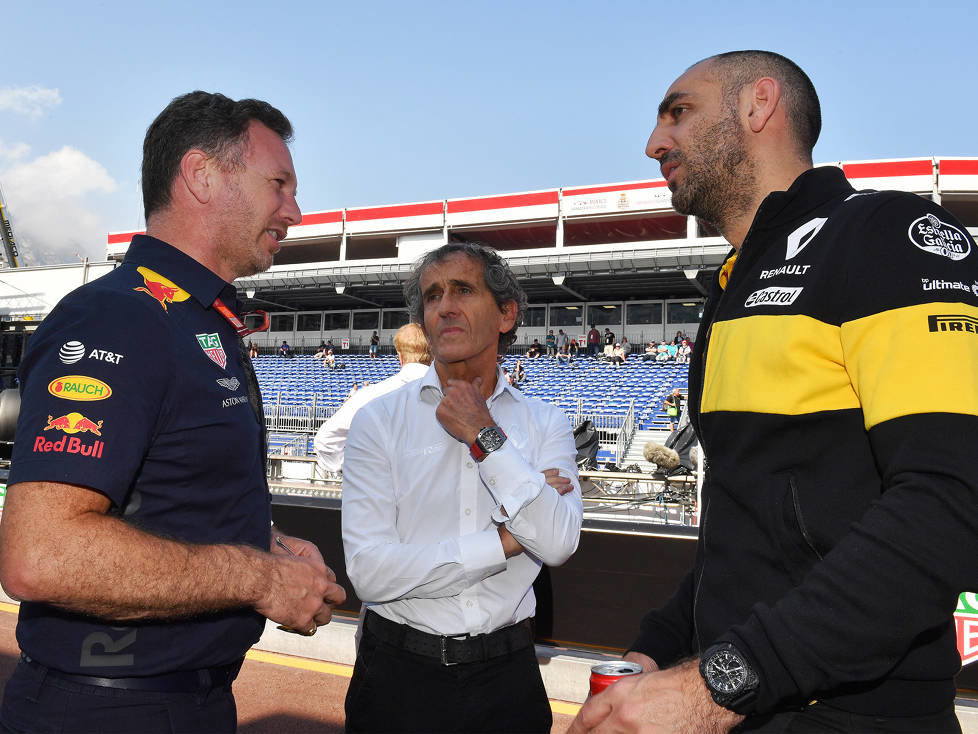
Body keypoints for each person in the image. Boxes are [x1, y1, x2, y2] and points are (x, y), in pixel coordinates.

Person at [570, 50, 978, 734]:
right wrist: (660, 647)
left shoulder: (885, 235)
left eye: (679, 111)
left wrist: (716, 685)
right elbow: (748, 531)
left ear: (759, 105)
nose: (654, 143)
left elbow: (952, 501)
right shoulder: (732, 289)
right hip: (751, 702)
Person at [0, 91, 345, 732]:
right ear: (200, 176)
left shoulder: (194, 319)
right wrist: (257, 578)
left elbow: (157, 503)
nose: (295, 212)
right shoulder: (120, 317)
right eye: (279, 185)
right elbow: (41, 553)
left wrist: (261, 545)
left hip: (182, 702)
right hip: (109, 707)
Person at [342, 242, 583, 733]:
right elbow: (369, 574)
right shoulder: (377, 421)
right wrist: (506, 540)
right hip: (395, 677)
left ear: (506, 314)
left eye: (463, 290)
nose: (444, 306)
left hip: (508, 679)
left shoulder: (546, 423)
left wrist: (484, 435)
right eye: (432, 296)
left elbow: (557, 542)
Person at [314, 323, 431, 475]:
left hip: (382, 491)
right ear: (433, 355)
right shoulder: (461, 397)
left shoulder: (369, 395)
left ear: (400, 357)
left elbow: (325, 441)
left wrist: (365, 473)